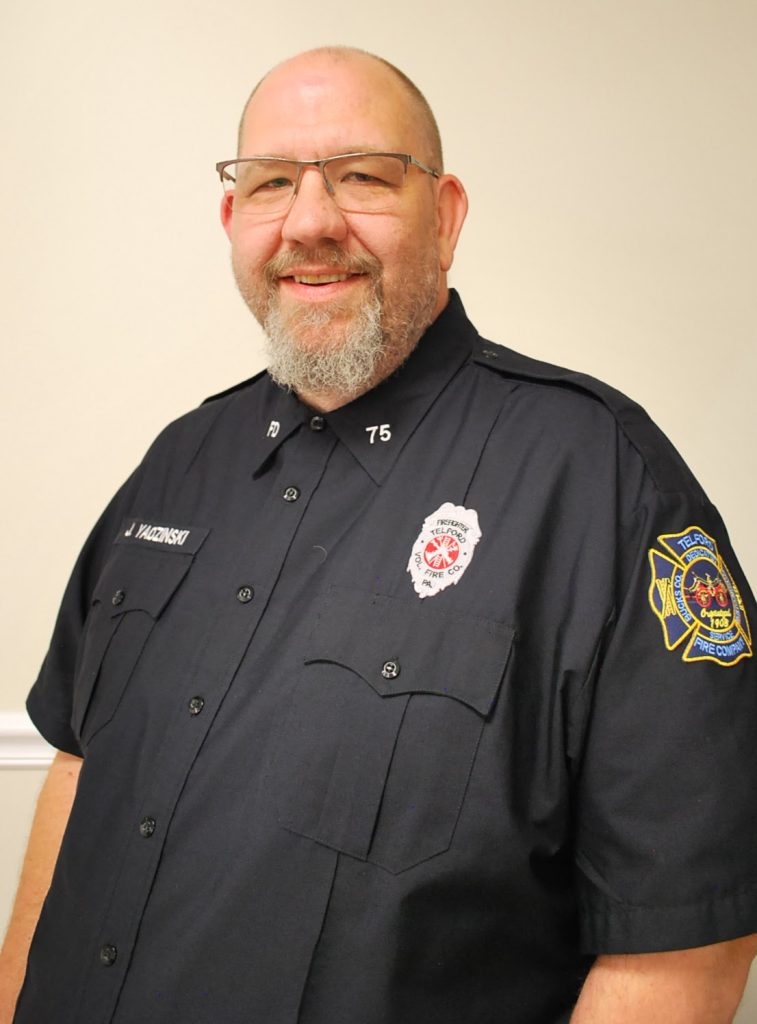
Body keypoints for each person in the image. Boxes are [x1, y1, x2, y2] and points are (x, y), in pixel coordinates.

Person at [2, 45, 757, 1024]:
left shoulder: (602, 480)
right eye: (271, 183)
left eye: (362, 177)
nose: (311, 223)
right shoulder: (177, 460)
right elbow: (77, 765)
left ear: (444, 216)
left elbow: (686, 938)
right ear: (234, 222)